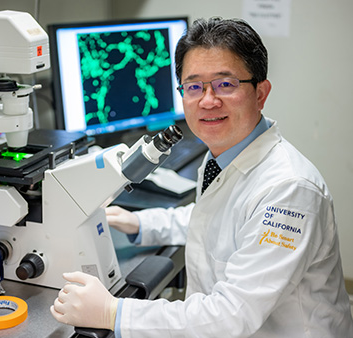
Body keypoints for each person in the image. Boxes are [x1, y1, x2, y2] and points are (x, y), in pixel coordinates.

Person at [51, 17, 353, 337]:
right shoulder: (225, 153)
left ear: (260, 93)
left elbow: (230, 316)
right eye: (194, 86)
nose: (208, 101)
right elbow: (220, 221)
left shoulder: (289, 190)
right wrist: (140, 223)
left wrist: (114, 311)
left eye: (225, 84)